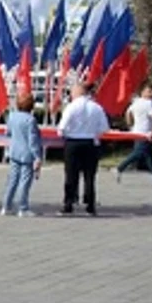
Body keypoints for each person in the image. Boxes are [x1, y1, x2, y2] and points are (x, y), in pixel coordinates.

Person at [57, 80, 111, 216]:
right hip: (91, 143)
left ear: (77, 92)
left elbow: (61, 127)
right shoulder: (97, 107)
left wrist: (65, 135)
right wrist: (94, 133)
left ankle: (68, 203)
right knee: (89, 175)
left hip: (73, 142)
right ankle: (90, 205)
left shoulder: (71, 107)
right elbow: (105, 128)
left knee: (70, 175)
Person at [1, 91, 42, 217]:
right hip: (27, 154)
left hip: (14, 152)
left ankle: (6, 206)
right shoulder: (31, 120)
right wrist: (37, 157)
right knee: (24, 182)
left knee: (12, 180)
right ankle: (23, 207)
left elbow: (7, 133)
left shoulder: (12, 116)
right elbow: (33, 141)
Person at [114, 82, 152, 182]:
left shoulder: (136, 101)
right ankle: (120, 167)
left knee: (148, 156)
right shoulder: (150, 103)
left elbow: (128, 113)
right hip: (145, 132)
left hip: (138, 131)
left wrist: (130, 125)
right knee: (139, 153)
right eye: (149, 91)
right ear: (143, 91)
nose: (151, 93)